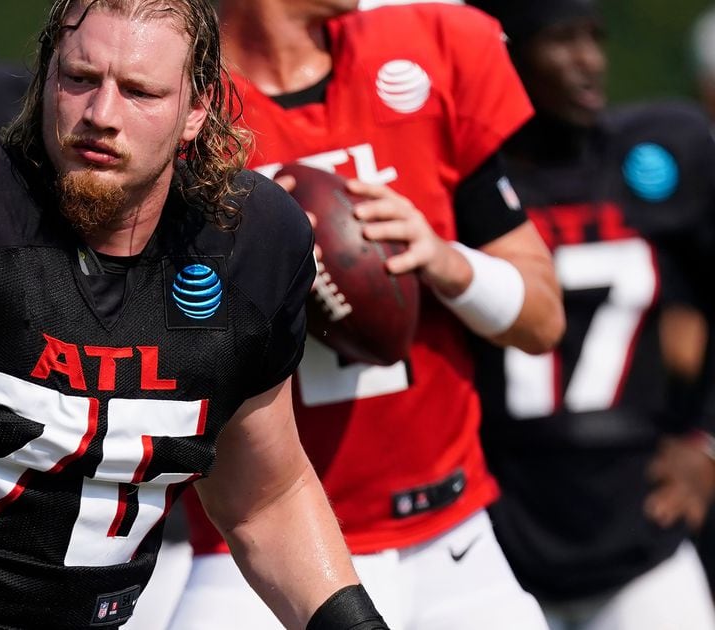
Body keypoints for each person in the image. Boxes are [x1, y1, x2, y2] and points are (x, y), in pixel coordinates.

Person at [0, 0, 391, 628]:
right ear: (46, 77)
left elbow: (266, 501)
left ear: (196, 109)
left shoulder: (247, 246)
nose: (101, 116)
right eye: (80, 78)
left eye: (140, 91)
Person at [175, 1, 564, 628]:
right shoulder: (172, 96)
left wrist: (446, 262)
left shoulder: (429, 49)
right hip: (261, 557)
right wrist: (251, 272)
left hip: (453, 543)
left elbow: (543, 320)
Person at [463, 1, 715, 628]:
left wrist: (708, 442)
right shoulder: (461, 178)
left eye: (595, 38)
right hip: (495, 537)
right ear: (504, 55)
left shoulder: (660, 152)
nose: (590, 61)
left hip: (640, 530)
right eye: (561, 40)